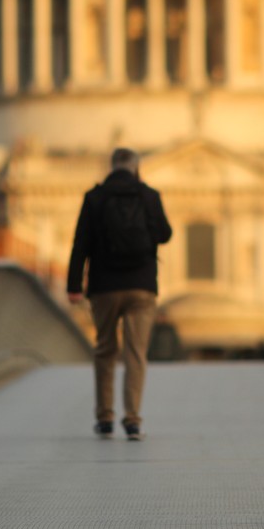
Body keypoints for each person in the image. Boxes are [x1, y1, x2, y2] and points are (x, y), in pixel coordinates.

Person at [67, 148, 172, 441]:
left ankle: (104, 418)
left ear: (111, 166)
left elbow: (80, 244)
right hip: (141, 285)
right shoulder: (149, 195)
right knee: (135, 353)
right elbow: (165, 234)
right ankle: (133, 419)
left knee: (105, 350)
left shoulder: (95, 197)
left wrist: (74, 286)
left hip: (103, 286)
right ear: (136, 167)